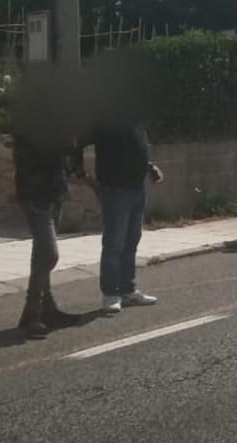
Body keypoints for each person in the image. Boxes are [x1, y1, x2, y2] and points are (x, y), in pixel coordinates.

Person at [76, 52, 165, 313]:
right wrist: (79, 171)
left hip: (136, 185)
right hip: (114, 186)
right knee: (114, 242)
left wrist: (150, 166)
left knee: (131, 240)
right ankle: (110, 294)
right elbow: (77, 141)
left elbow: (136, 147)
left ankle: (128, 289)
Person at [11, 66, 84, 338]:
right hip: (36, 193)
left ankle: (47, 308)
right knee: (49, 253)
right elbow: (63, 144)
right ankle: (30, 314)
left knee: (40, 253)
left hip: (53, 190)